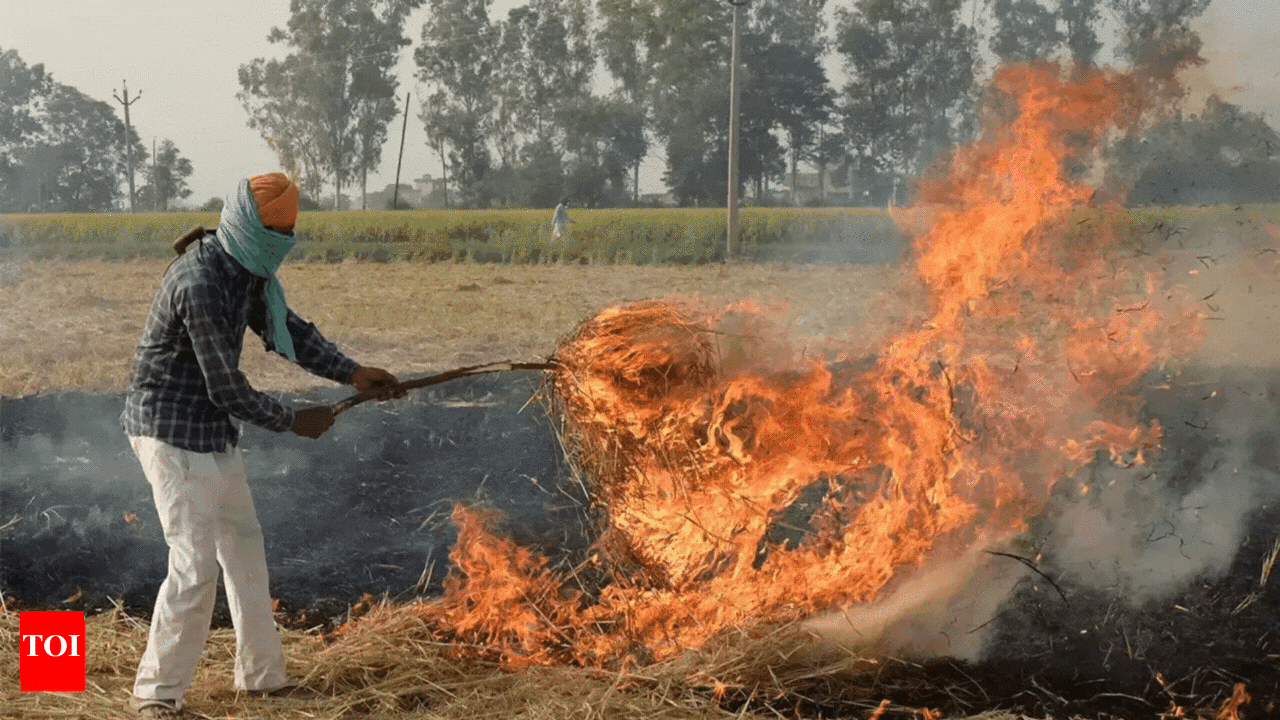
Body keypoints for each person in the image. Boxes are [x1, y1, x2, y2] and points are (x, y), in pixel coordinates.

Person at [119, 172, 401, 719]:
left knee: (245, 550)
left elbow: (287, 331)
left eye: (290, 231)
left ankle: (263, 680)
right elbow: (224, 386)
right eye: (277, 231)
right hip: (170, 433)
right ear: (249, 227)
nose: (283, 242)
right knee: (194, 566)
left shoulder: (245, 273)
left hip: (212, 433)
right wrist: (293, 420)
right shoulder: (200, 280)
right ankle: (156, 695)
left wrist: (354, 373)